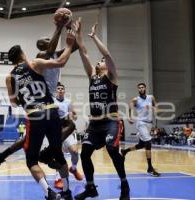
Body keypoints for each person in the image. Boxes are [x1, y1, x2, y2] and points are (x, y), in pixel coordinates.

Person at [0, 15, 77, 180]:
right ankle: (48, 154)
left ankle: (1, 157)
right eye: (46, 39)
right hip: (46, 100)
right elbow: (57, 50)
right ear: (42, 44)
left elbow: (73, 46)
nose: (49, 39)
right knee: (68, 126)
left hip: (45, 101)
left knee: (35, 137)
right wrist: (61, 27)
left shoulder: (50, 54)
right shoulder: (42, 54)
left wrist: (71, 28)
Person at [73, 18, 130, 200]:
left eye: (102, 60)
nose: (100, 61)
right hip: (95, 125)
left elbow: (107, 54)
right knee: (85, 154)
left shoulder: (112, 77)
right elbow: (83, 51)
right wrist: (79, 33)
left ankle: (124, 184)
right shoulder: (92, 77)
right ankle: (91, 188)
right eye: (99, 61)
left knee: (112, 150)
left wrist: (95, 37)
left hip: (111, 121)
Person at [121, 83, 160, 177]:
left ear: (145, 88)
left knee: (141, 145)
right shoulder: (136, 99)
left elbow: (157, 108)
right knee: (148, 143)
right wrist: (129, 117)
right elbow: (129, 107)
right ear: (138, 90)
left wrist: (154, 109)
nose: (141, 89)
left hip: (149, 123)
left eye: (142, 87)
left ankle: (124, 151)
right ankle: (150, 168)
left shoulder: (151, 97)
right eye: (139, 88)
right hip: (141, 123)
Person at [53, 82, 83, 189]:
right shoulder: (52, 101)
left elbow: (74, 114)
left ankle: (73, 168)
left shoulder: (68, 102)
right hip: (56, 131)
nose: (60, 90)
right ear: (56, 91)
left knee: (75, 152)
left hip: (67, 130)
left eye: (62, 88)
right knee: (58, 154)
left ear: (64, 91)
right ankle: (58, 178)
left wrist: (74, 116)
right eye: (58, 88)